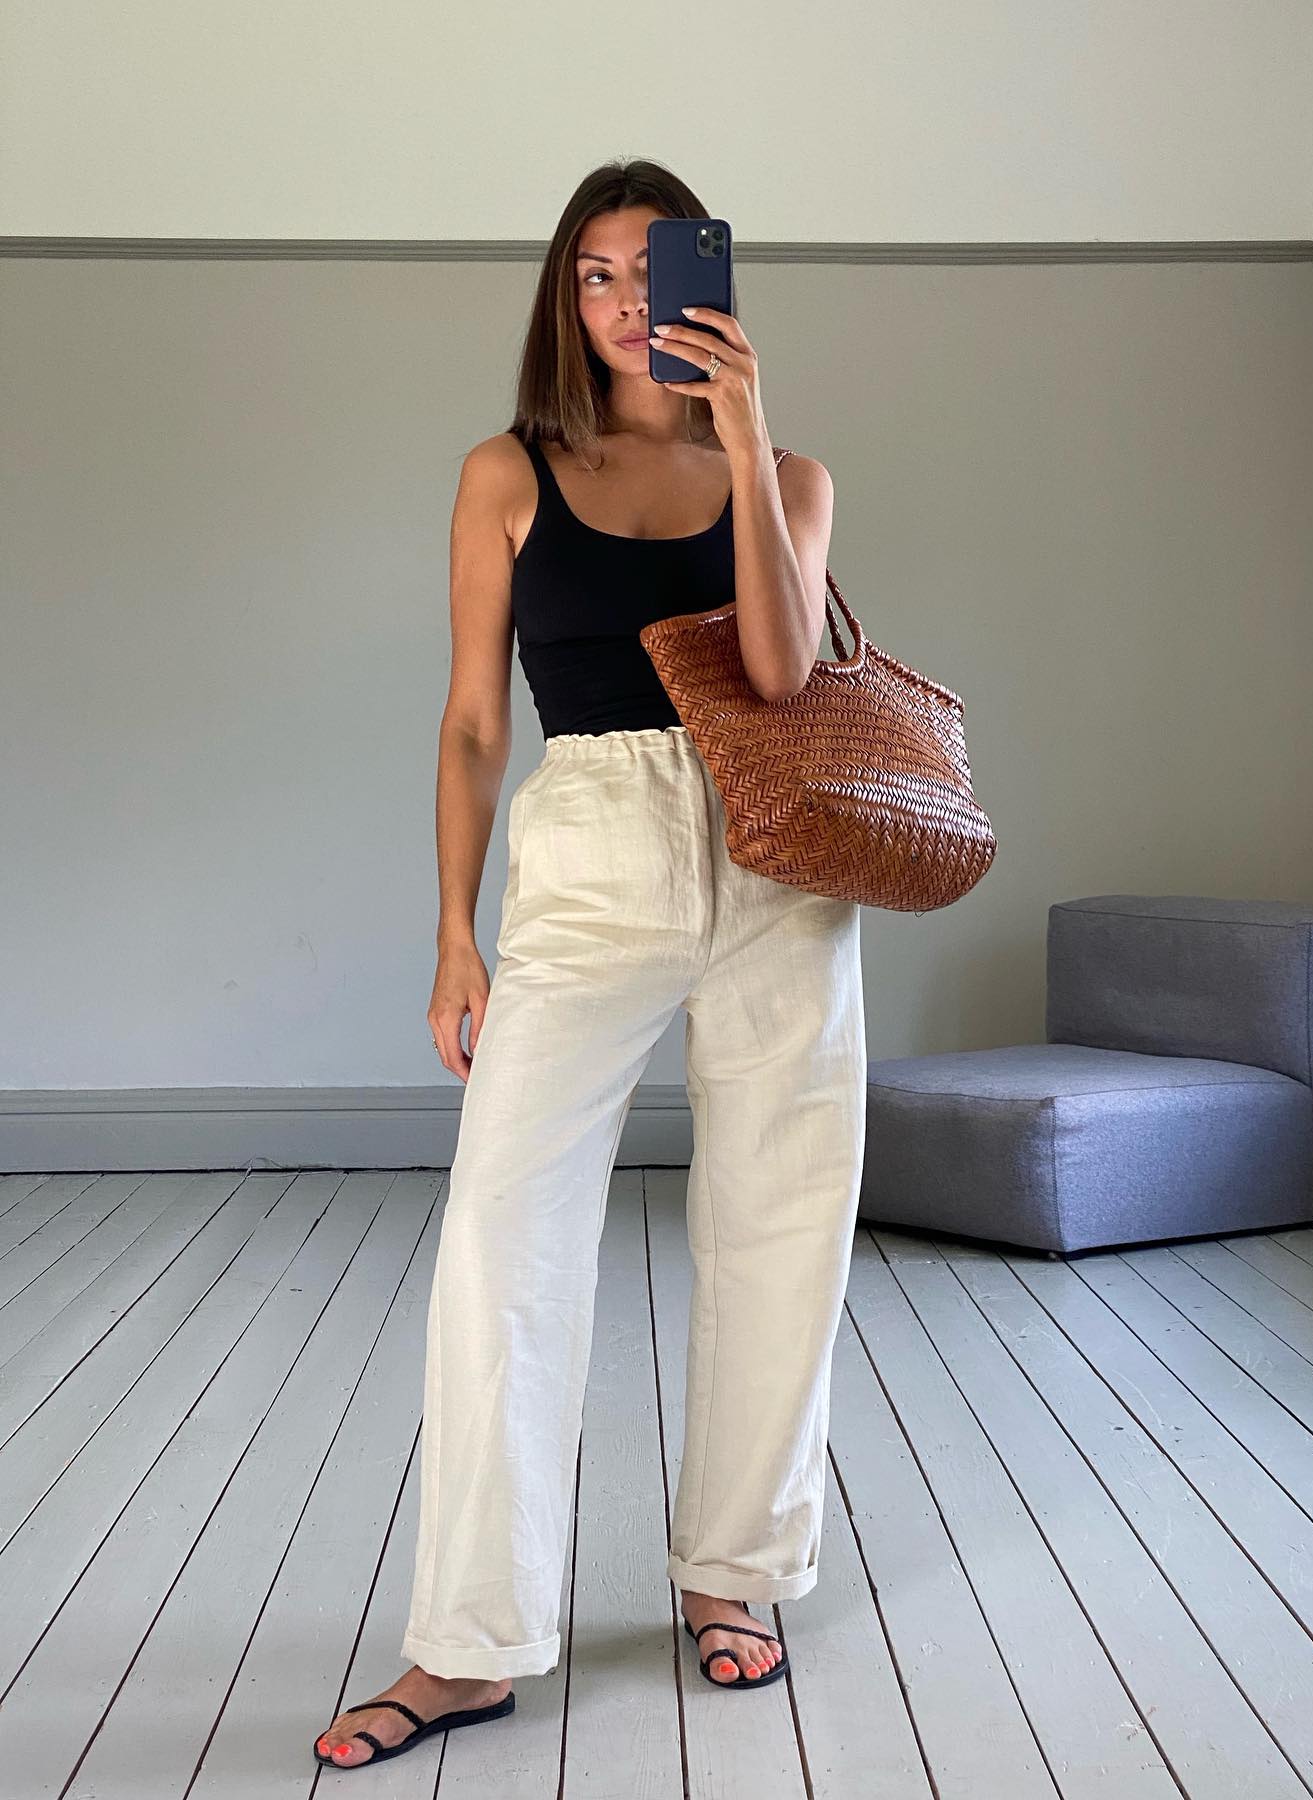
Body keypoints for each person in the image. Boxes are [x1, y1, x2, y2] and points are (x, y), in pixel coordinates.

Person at [314, 158, 866, 1771]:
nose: (630, 304)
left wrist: (749, 443)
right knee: (504, 1237)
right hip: (592, 853)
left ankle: (737, 1574)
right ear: (569, 297)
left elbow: (778, 668)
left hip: (777, 858)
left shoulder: (796, 472)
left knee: (780, 1217)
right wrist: (450, 930)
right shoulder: (508, 470)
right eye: (598, 277)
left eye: (658, 270)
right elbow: (477, 718)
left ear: (713, 282)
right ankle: (472, 1644)